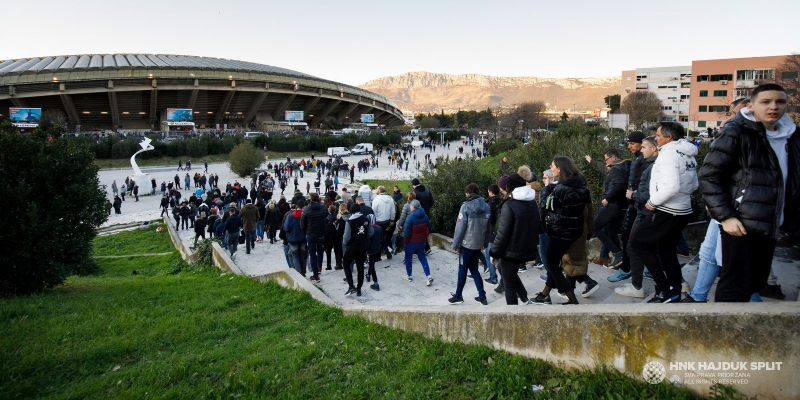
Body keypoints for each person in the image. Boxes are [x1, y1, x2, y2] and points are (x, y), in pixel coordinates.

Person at [699, 83, 799, 302]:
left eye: (780, 101)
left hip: (773, 223)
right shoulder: (737, 132)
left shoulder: (792, 137)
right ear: (752, 106)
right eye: (766, 102)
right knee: (734, 286)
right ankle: (725, 334)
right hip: (741, 224)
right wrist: (726, 216)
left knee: (755, 282)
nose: (773, 106)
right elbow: (709, 175)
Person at [627, 122, 698, 303]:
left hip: (667, 209)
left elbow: (671, 187)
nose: (656, 138)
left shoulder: (669, 155)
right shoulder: (687, 154)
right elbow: (694, 184)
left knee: (638, 244)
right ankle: (673, 290)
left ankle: (664, 289)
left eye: (658, 135)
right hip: (683, 209)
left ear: (669, 137)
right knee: (666, 250)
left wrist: (653, 202)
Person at [533, 156, 591, 305]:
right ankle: (545, 294)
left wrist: (547, 187)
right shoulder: (580, 184)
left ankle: (571, 298)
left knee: (552, 265)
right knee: (556, 264)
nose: (551, 168)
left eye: (552, 166)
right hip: (574, 231)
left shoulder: (561, 189)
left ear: (559, 168)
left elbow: (545, 204)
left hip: (560, 233)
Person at [611, 136, 658, 287]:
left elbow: (648, 188)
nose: (630, 146)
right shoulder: (639, 159)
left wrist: (635, 195)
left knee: (631, 241)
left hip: (641, 204)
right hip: (637, 202)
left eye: (633, 144)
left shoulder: (649, 162)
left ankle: (629, 272)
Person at [490, 167, 540, 305]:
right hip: (526, 248)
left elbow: (503, 233)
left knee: (509, 284)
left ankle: (513, 314)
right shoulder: (532, 202)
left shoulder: (509, 205)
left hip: (511, 250)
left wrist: (494, 252)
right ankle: (524, 297)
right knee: (504, 270)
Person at [448, 183, 491, 305]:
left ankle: (458, 295)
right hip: (478, 244)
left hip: (466, 245)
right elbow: (488, 228)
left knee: (462, 270)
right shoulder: (487, 207)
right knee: (474, 269)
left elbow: (460, 228)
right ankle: (482, 296)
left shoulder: (465, 206)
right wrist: (485, 243)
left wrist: (455, 245)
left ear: (468, 193)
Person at [593, 148, 630, 268]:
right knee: (611, 230)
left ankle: (617, 253)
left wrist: (607, 198)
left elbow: (618, 186)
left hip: (612, 205)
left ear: (613, 158)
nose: (606, 162)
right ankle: (620, 258)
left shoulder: (615, 168)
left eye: (606, 159)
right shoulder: (626, 166)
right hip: (622, 206)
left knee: (595, 227)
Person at [342, 203, 373, 296]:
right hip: (362, 246)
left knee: (346, 264)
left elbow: (346, 237)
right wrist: (363, 238)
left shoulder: (349, 221)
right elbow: (371, 232)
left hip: (351, 247)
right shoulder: (365, 219)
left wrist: (345, 243)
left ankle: (351, 286)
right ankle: (359, 288)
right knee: (360, 267)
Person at [403, 199, 434, 286]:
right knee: (423, 258)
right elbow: (428, 229)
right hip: (422, 242)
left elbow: (406, 233)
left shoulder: (410, 218)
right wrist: (424, 238)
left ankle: (409, 276)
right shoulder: (425, 216)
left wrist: (405, 242)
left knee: (408, 257)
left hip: (412, 242)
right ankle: (429, 276)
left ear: (413, 206)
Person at [300, 193, 328, 283]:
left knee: (312, 254)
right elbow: (326, 217)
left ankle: (315, 275)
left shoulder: (307, 209)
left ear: (311, 199)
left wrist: (305, 233)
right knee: (320, 251)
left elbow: (302, 223)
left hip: (311, 234)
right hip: (321, 232)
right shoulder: (323, 207)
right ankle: (319, 267)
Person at [283, 200, 308, 276]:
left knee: (294, 255)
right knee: (302, 255)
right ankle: (303, 272)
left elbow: (286, 228)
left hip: (293, 238)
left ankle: (298, 273)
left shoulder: (290, 216)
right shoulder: (305, 215)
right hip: (303, 238)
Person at [372, 186, 396, 258]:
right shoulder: (390, 199)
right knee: (383, 238)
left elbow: (373, 211)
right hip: (387, 222)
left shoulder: (376, 199)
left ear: (379, 191)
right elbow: (393, 211)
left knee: (379, 239)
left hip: (379, 222)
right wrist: (392, 220)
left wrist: (373, 222)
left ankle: (381, 255)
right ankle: (388, 251)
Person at [411, 178, 435, 254]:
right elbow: (432, 202)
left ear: (414, 185)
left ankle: (422, 248)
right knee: (423, 231)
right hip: (426, 214)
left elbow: (413, 205)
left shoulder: (415, 193)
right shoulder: (427, 190)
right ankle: (426, 247)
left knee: (416, 232)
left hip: (417, 215)